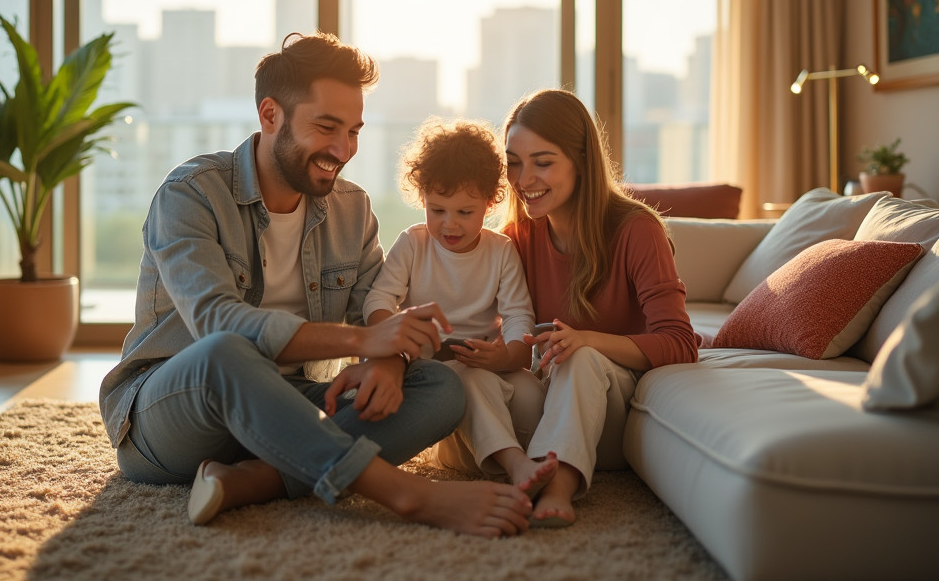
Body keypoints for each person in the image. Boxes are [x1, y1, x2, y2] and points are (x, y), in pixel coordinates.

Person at [98, 32, 533, 537]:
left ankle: (251, 481)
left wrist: (389, 359)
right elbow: (218, 321)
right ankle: (407, 495)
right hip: (177, 414)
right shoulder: (191, 194)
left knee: (441, 386)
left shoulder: (351, 208)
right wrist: (362, 342)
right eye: (326, 127)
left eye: (353, 131)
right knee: (226, 351)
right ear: (270, 116)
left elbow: (377, 310)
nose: (342, 149)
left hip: (292, 404)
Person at [501, 89, 699, 528]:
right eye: (514, 161)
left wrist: (587, 339)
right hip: (551, 392)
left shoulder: (636, 230)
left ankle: (557, 486)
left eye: (543, 162)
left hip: (612, 403)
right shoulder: (518, 236)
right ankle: (526, 467)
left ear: (582, 162)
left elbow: (681, 343)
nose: (524, 178)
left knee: (582, 356)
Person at [363, 119, 555, 497]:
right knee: (466, 380)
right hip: (431, 375)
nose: (449, 224)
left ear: (490, 201)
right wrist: (396, 334)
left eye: (465, 213)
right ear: (422, 199)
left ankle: (494, 451)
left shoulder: (501, 251)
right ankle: (515, 464)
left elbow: (518, 317)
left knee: (533, 398)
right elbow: (378, 300)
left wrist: (505, 357)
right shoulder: (413, 244)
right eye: (437, 210)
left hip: (488, 365)